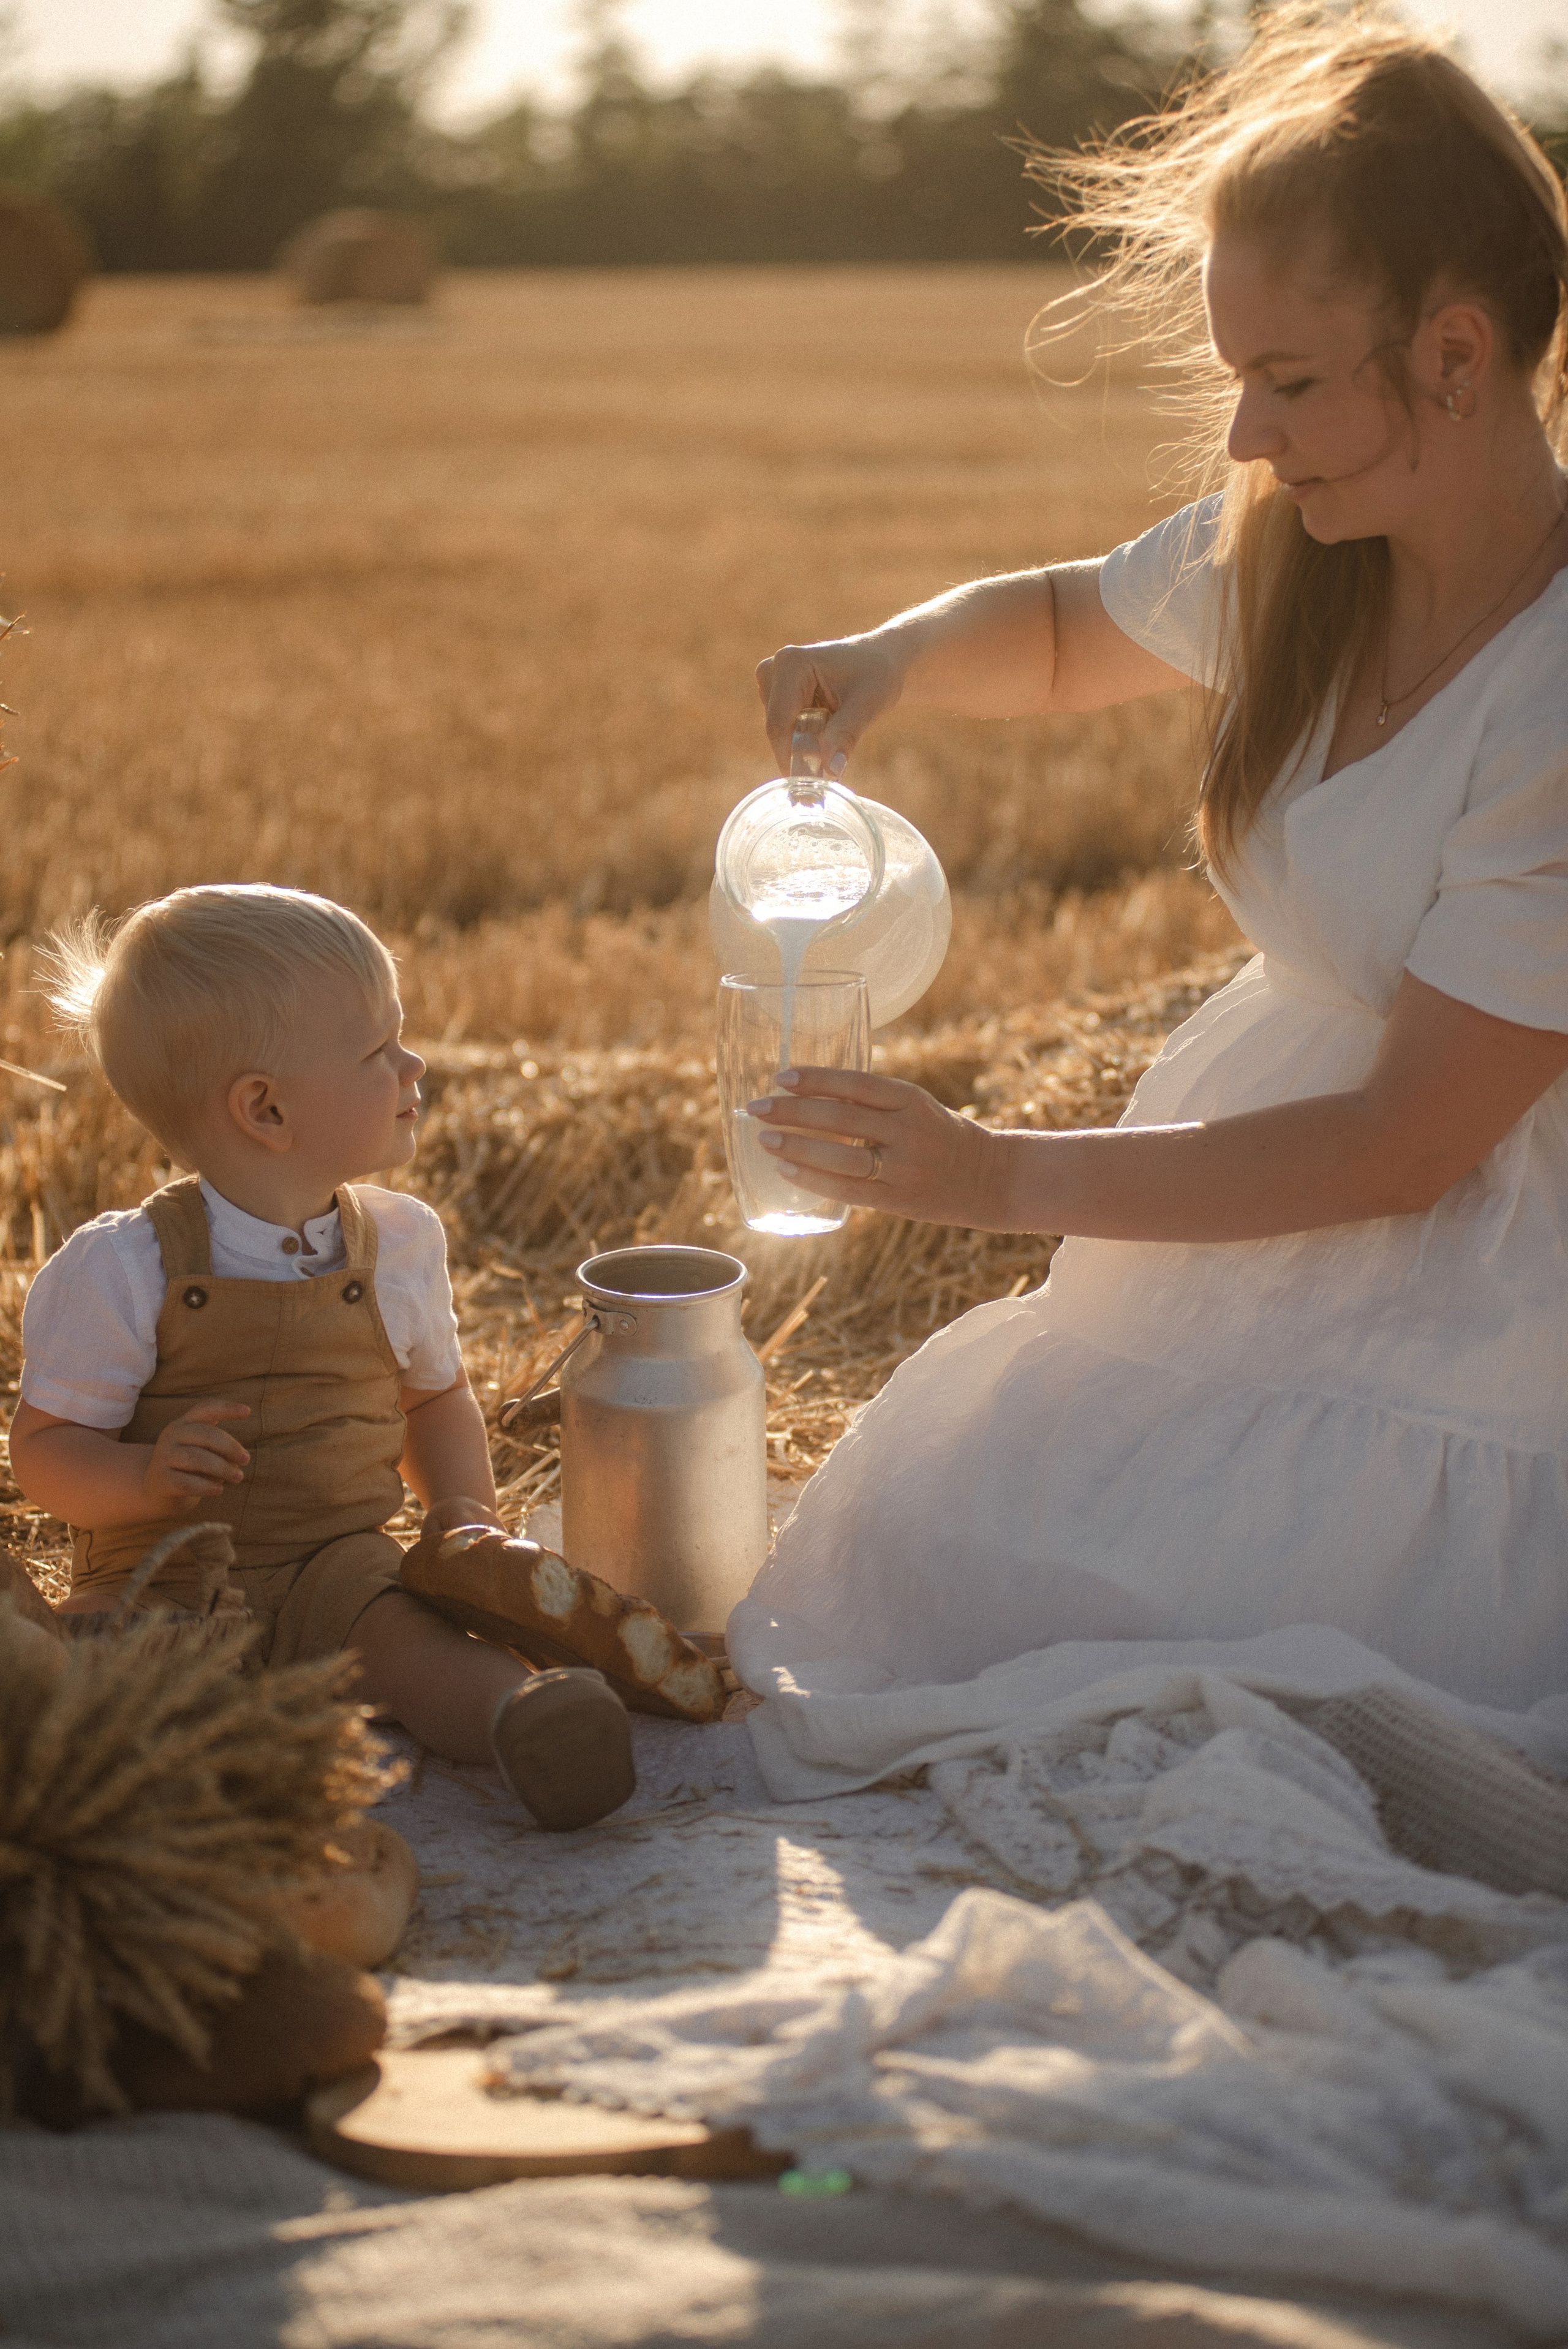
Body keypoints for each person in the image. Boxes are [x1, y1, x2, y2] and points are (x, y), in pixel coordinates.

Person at [734, 3, 1568, 1713]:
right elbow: (1053, 632)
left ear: (1460, 354)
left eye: (1291, 380)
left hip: (1495, 1276)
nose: (1248, 438)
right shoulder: (1302, 549)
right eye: (1235, 380)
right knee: (963, 1556)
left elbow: (1406, 1145)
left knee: (1230, 1659)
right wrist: (886, 658)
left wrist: (996, 1178)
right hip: (1256, 1198)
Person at [9, 883, 636, 1831]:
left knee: (416, 1648)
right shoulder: (122, 1267)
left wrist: (465, 1513)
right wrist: (142, 1476)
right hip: (162, 1579)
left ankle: (526, 1721)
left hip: (337, 1572)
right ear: (265, 1109)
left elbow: (435, 1401)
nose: (413, 1063)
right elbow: (46, 1453)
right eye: (378, 1051)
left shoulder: (399, 1243)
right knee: (101, 1688)